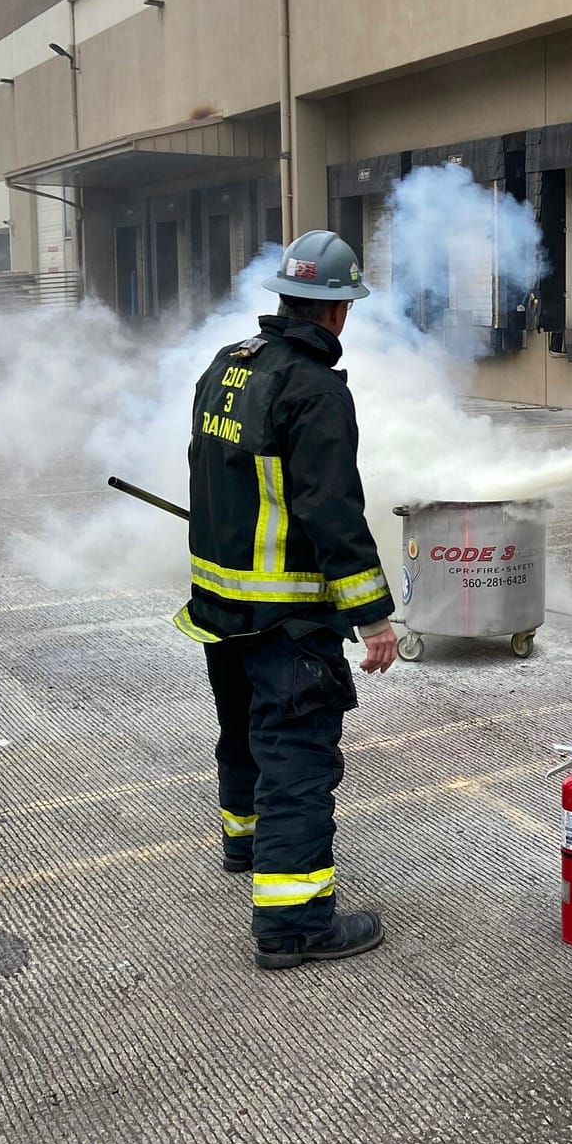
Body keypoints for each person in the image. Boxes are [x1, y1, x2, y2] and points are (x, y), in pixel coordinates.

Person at [174, 229, 400, 970]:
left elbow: (215, 472)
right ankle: (294, 924)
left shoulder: (228, 366)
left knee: (243, 732)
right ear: (337, 310)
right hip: (287, 617)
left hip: (221, 605)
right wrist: (373, 616)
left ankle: (245, 844)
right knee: (297, 758)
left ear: (285, 297)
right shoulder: (315, 389)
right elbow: (331, 511)